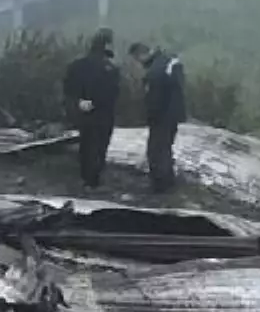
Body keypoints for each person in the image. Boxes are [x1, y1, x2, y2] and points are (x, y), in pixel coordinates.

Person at [62, 28, 121, 191]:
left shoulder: (77, 65)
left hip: (81, 110)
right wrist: (95, 102)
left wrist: (79, 102)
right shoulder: (110, 68)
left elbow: (68, 87)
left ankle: (85, 177)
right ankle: (93, 179)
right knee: (100, 144)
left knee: (86, 143)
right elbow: (113, 93)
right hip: (102, 112)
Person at [128, 42, 187, 192]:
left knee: (156, 150)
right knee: (166, 147)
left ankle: (160, 185)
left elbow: (154, 98)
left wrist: (150, 115)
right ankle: (168, 181)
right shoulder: (168, 62)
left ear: (140, 55)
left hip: (161, 116)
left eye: (137, 59)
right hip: (173, 115)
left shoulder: (154, 71)